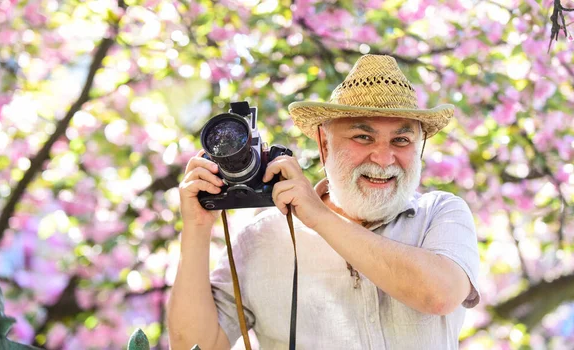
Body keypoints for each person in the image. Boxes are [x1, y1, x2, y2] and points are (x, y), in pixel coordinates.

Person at [167, 54, 480, 350]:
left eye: (401, 140)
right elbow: (195, 345)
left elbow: (440, 295)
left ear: (420, 149)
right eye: (363, 137)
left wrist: (317, 215)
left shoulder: (440, 213)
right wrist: (195, 227)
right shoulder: (260, 238)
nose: (384, 159)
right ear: (323, 144)